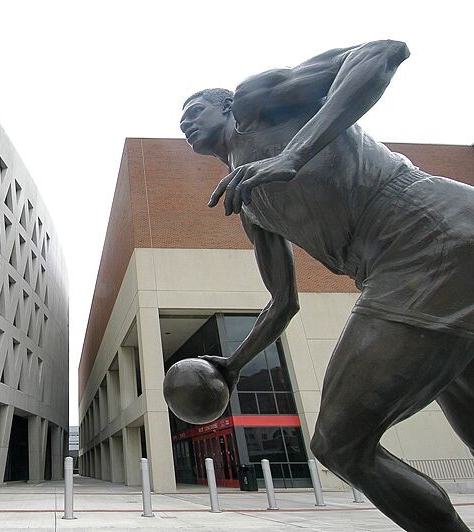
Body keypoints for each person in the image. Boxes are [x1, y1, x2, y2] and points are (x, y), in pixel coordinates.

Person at [179, 40, 474, 532]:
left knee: (340, 443)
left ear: (227, 105)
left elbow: (383, 52)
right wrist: (232, 366)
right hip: (422, 262)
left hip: (424, 237)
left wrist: (292, 154)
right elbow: (283, 304)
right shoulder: (249, 203)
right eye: (180, 121)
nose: (185, 123)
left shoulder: (257, 102)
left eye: (194, 109)